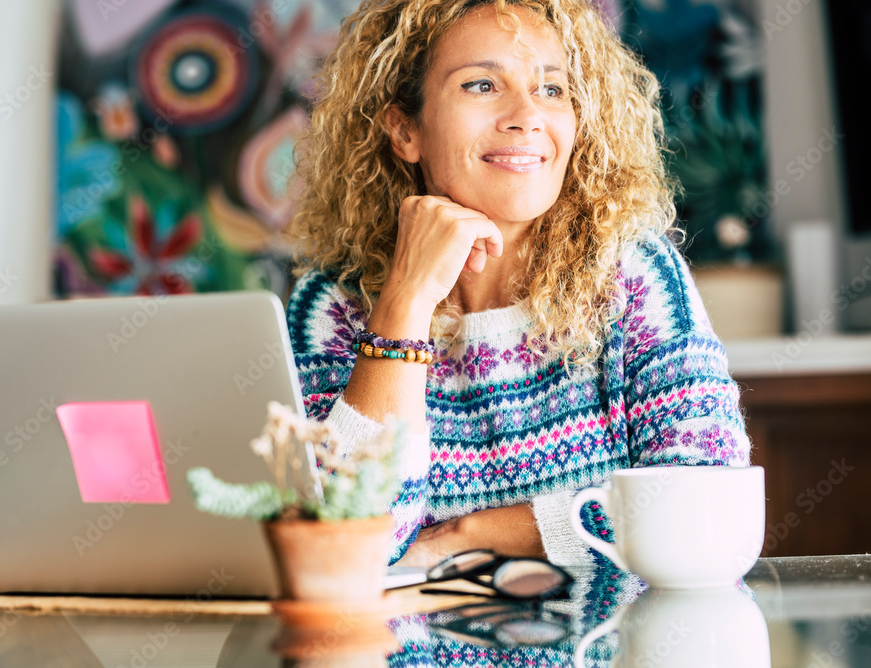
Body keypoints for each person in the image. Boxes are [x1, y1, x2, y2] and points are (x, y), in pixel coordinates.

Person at [284, 0, 751, 568]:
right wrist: (403, 306)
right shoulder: (331, 305)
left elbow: (699, 506)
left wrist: (464, 536)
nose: (527, 115)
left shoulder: (633, 275)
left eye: (552, 90)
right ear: (406, 130)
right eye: (482, 85)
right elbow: (339, 548)